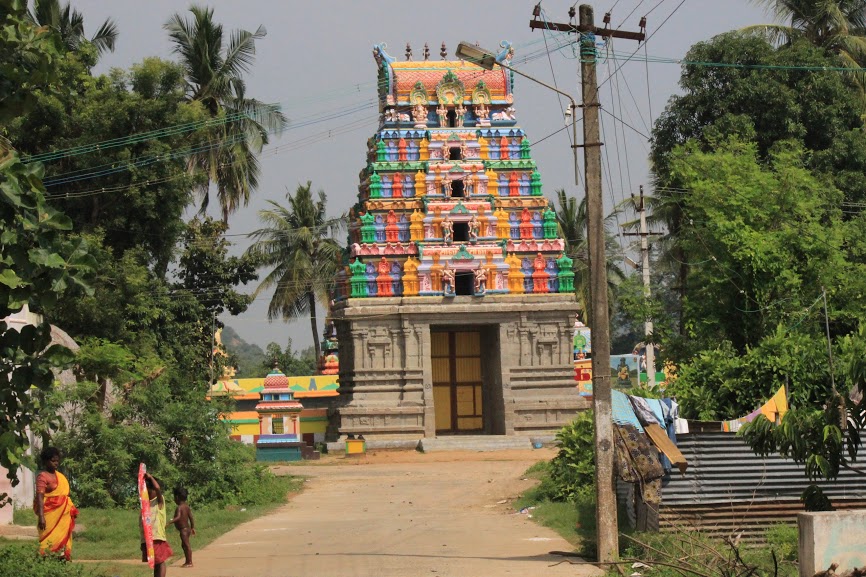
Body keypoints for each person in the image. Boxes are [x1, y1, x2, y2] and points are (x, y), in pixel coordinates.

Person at [34, 447, 78, 561]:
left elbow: (65, 496)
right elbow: (40, 496)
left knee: (62, 546)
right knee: (48, 544)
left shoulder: (60, 476)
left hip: (63, 516)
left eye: (57, 461)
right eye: (53, 461)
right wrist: (41, 517)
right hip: (49, 516)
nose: (56, 463)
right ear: (45, 461)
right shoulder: (42, 477)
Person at [141, 473, 173, 577]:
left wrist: (150, 477)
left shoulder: (159, 501)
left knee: (160, 562)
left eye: (149, 491)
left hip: (157, 537)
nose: (147, 494)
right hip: (148, 539)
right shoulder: (145, 505)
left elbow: (158, 488)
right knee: (155, 563)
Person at [168, 487, 196, 568]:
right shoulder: (186, 506)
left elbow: (178, 517)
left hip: (183, 530)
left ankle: (189, 562)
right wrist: (193, 528)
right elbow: (191, 518)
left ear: (176, 497)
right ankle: (187, 561)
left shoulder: (179, 507)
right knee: (184, 545)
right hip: (187, 529)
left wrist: (169, 522)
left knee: (186, 545)